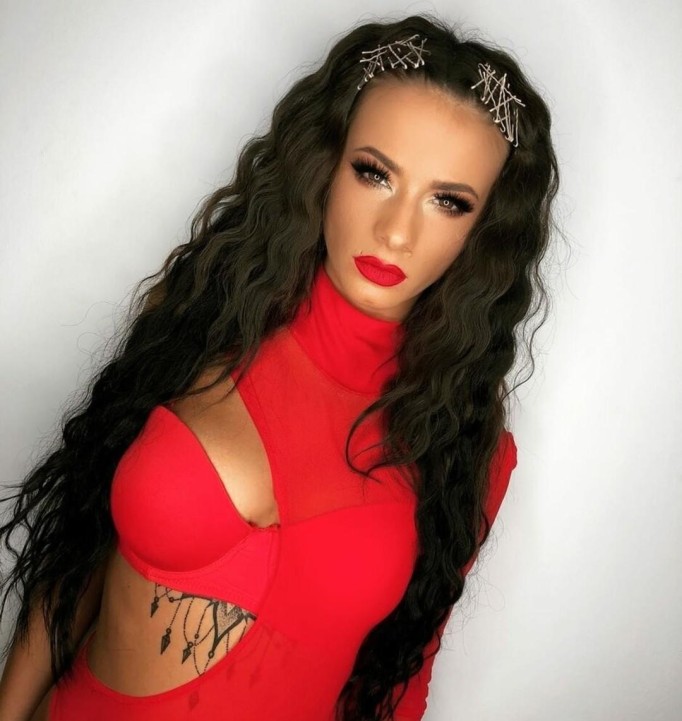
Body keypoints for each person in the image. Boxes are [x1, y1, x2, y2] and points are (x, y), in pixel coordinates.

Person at [0, 11, 558, 721]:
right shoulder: (207, 325)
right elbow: (77, 558)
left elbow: (402, 681)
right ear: (326, 165)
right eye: (374, 173)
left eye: (448, 201)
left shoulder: (467, 448)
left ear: (483, 232)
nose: (396, 231)